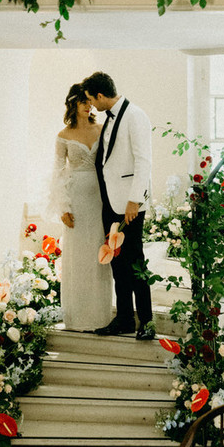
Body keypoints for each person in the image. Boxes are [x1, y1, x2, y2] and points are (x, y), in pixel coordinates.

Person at [82, 71, 155, 340]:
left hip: (129, 204)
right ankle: (124, 318)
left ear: (101, 95)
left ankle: (146, 321)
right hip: (110, 201)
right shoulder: (110, 118)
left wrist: (134, 200)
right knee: (117, 262)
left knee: (135, 262)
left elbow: (144, 161)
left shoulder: (135, 115)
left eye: (92, 99)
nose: (92, 105)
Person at [50, 83, 112, 332]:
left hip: (100, 198)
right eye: (83, 102)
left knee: (98, 253)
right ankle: (76, 316)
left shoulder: (101, 129)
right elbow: (57, 173)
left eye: (90, 102)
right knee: (77, 256)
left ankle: (99, 316)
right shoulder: (63, 135)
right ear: (73, 104)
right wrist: (63, 207)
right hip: (76, 200)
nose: (89, 106)